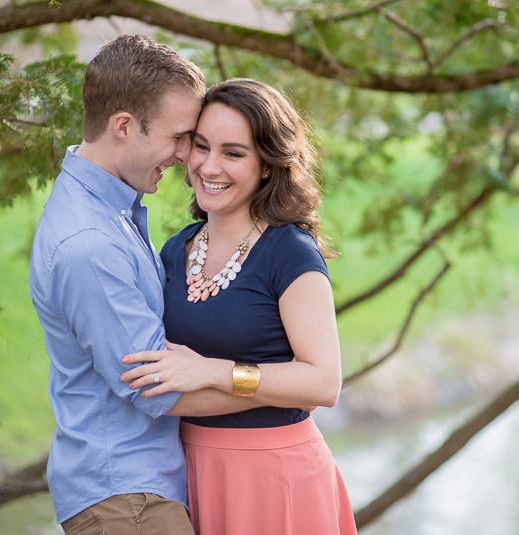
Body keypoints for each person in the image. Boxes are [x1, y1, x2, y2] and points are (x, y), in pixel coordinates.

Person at [30, 35, 252, 535]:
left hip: (138, 493)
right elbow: (158, 391)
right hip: (126, 500)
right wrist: (282, 389)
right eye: (178, 137)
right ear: (124, 126)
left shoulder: (109, 212)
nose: (184, 156)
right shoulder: (90, 244)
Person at [120, 78, 358, 535]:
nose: (209, 166)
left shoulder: (290, 252)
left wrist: (214, 370)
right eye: (201, 146)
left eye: (233, 153)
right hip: (187, 469)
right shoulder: (175, 250)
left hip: (275, 476)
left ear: (267, 166)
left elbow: (323, 382)